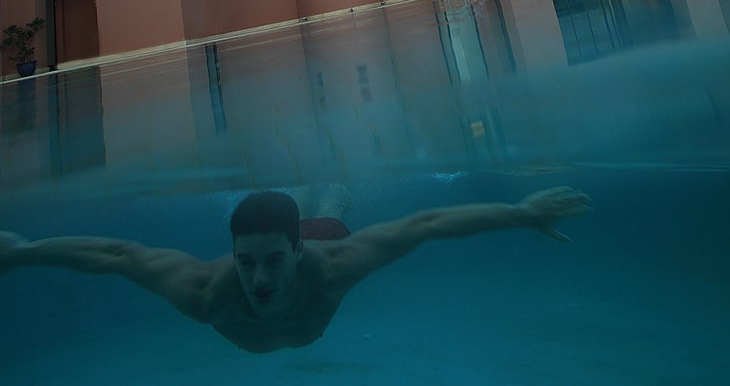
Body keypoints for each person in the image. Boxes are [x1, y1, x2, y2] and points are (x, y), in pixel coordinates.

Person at [0, 185, 590, 353]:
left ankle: (323, 201)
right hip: (297, 242)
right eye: (245, 262)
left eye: (272, 262)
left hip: (316, 239)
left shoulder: (331, 265)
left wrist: (521, 213)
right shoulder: (206, 292)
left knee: (329, 214)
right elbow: (119, 256)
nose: (258, 281)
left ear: (296, 254)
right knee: (300, 225)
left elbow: (426, 223)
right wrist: (21, 250)